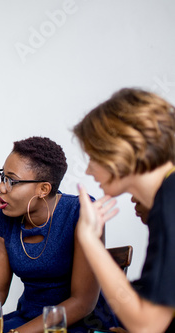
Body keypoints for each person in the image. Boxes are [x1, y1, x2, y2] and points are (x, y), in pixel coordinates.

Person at [0, 136, 108, 333]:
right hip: (27, 319)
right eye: (2, 177)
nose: (1, 187)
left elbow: (82, 302)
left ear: (43, 189)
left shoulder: (81, 212)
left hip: (79, 323)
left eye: (12, 181)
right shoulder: (2, 221)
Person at [73, 88, 175, 332]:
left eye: (93, 156)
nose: (88, 171)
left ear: (119, 148)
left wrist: (89, 240)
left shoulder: (170, 200)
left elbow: (148, 325)